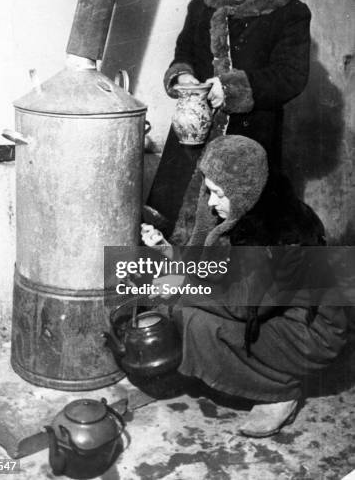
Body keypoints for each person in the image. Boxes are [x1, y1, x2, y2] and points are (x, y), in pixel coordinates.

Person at [141, 135, 347, 437]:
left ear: (241, 191)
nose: (210, 203)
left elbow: (242, 304)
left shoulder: (281, 232)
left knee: (197, 322)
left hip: (313, 333)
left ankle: (279, 391)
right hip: (278, 313)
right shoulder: (251, 206)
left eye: (218, 194)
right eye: (208, 191)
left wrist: (182, 284)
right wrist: (168, 252)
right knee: (182, 308)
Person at [146, 0, 312, 238]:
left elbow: (291, 75)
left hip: (249, 133)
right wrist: (183, 76)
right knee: (172, 215)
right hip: (193, 129)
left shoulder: (289, 12)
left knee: (236, 225)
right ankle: (170, 281)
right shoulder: (201, 8)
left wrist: (232, 89)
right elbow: (183, 53)